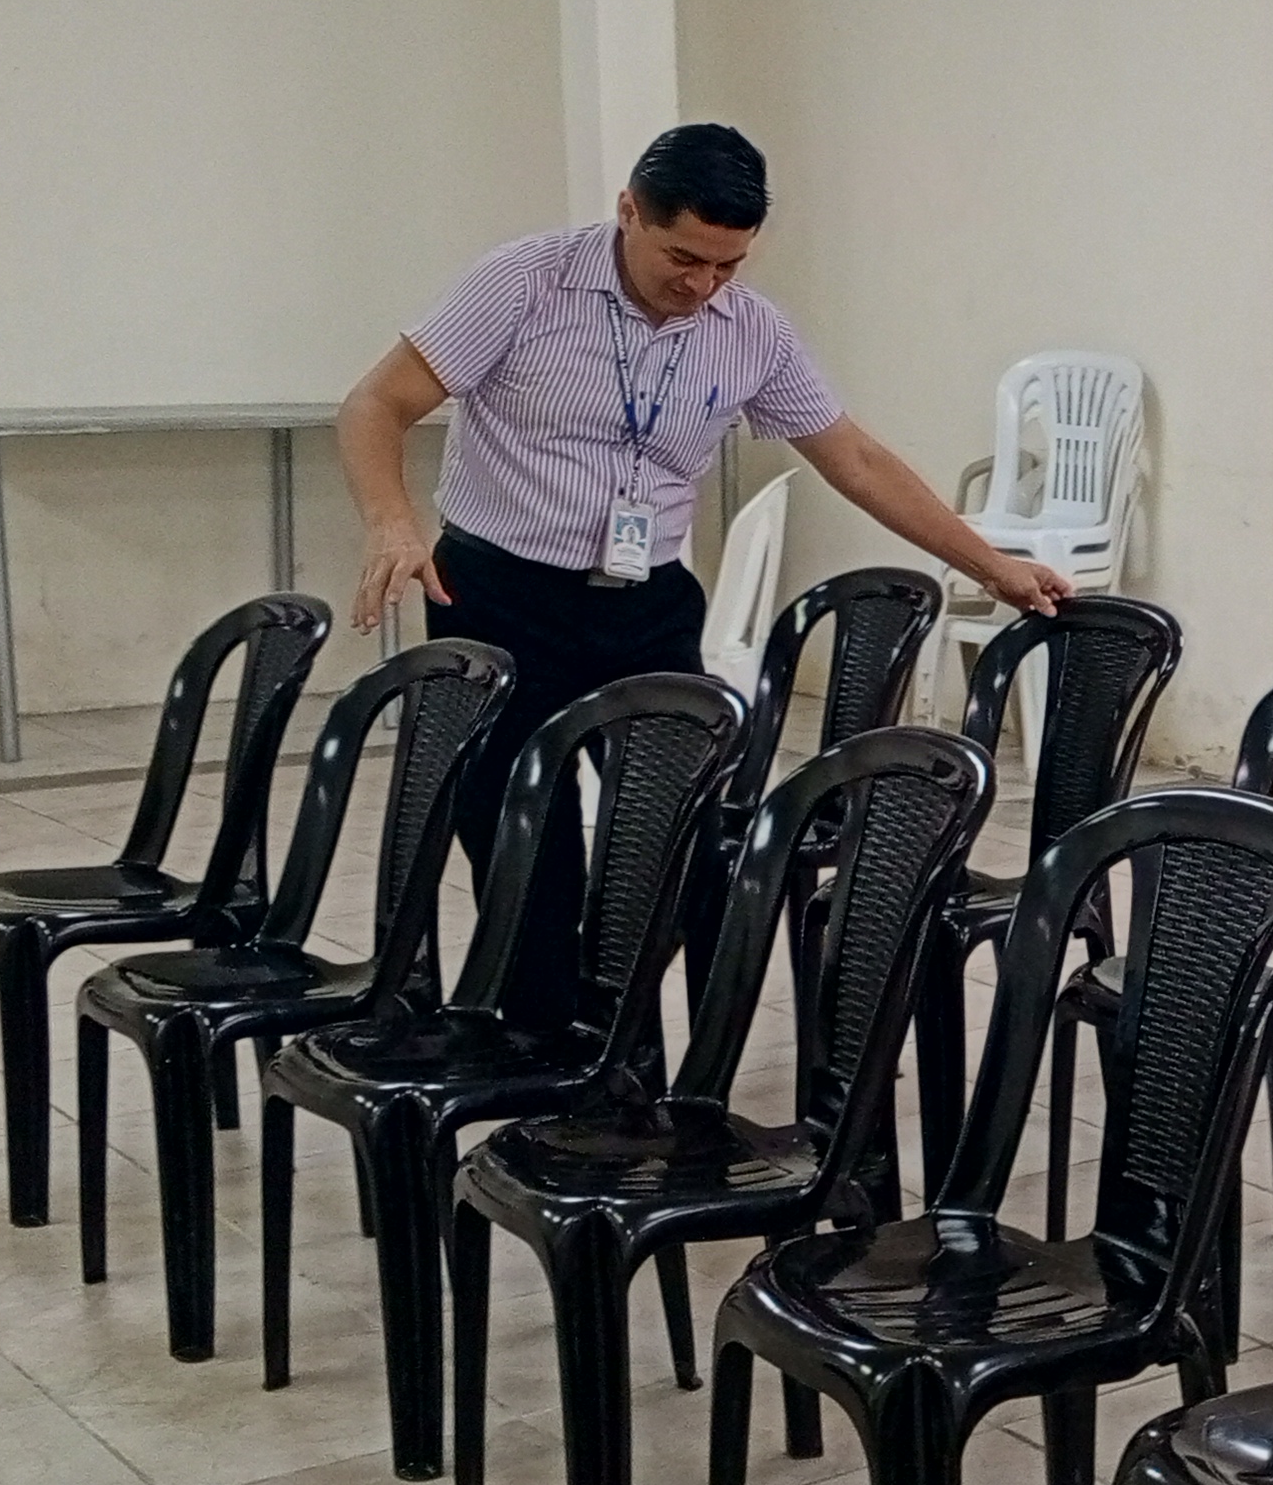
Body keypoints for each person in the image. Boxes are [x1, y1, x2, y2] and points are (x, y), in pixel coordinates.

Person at [337, 122, 1066, 1025]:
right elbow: (377, 402)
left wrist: (992, 566)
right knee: (526, 850)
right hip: (499, 599)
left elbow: (857, 460)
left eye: (728, 265)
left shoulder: (751, 330)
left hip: (648, 608)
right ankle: (540, 1056)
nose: (701, 285)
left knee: (673, 845)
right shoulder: (524, 282)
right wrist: (392, 521)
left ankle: (626, 1044)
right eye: (682, 258)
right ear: (629, 212)